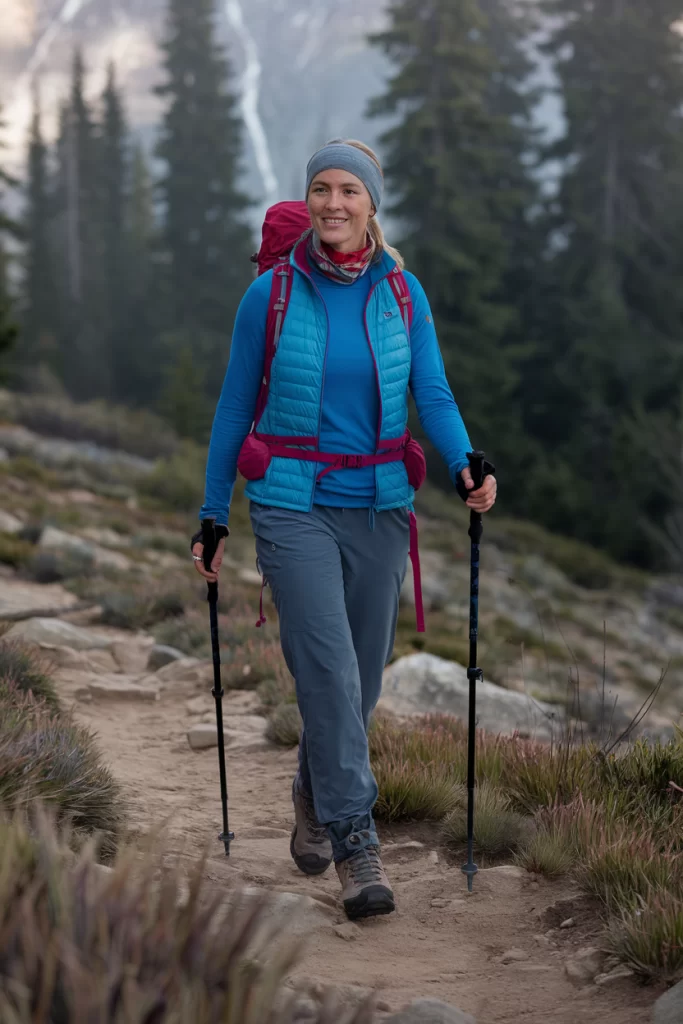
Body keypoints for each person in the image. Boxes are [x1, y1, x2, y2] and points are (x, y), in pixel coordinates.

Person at [192, 139, 497, 921]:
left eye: (348, 190)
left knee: (359, 677)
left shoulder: (402, 292)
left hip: (381, 503)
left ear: (371, 203)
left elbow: (430, 388)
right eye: (320, 189)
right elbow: (233, 407)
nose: (333, 203)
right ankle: (355, 840)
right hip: (291, 501)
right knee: (325, 666)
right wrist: (213, 510)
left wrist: (465, 463)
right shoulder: (272, 295)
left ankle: (311, 785)